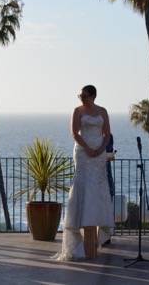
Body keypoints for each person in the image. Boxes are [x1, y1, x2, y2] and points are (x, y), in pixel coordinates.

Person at [55, 85, 114, 260]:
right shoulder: (77, 111)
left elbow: (107, 133)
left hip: (99, 154)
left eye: (85, 95)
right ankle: (83, 229)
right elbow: (74, 133)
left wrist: (101, 149)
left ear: (93, 96)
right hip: (82, 152)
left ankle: (97, 226)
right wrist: (88, 148)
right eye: (80, 95)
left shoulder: (103, 111)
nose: (82, 98)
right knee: (84, 186)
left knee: (97, 187)